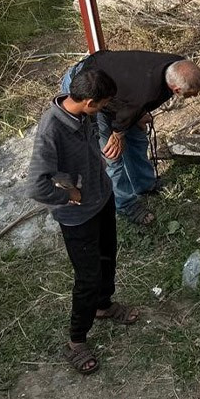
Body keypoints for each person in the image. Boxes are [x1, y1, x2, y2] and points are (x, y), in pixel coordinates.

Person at [29, 68, 143, 374]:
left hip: (102, 200)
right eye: (104, 103)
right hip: (77, 216)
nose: (106, 108)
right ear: (89, 101)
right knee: (87, 278)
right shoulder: (51, 129)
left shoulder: (85, 114)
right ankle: (76, 341)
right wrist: (71, 196)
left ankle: (104, 306)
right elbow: (36, 186)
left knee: (108, 258)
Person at [60, 50, 200, 224]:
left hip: (115, 92)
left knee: (137, 139)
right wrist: (118, 135)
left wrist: (139, 111)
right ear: (176, 89)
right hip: (89, 92)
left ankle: (144, 185)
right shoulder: (145, 90)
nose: (195, 96)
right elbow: (135, 101)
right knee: (112, 156)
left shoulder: (175, 66)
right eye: (193, 93)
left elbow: (134, 100)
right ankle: (125, 204)